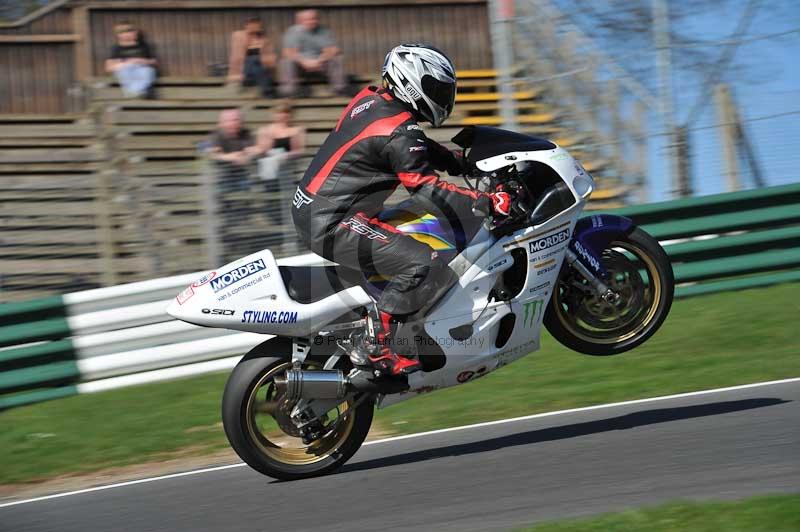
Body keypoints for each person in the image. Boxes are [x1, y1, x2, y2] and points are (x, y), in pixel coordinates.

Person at [291, 44, 512, 376]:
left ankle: (404, 329)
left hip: (316, 211)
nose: (444, 97)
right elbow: (423, 186)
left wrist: (458, 162)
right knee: (424, 261)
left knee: (416, 230)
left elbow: (412, 145)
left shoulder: (373, 102)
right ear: (412, 82)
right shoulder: (398, 129)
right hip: (334, 222)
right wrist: (484, 203)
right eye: (437, 89)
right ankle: (379, 344)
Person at [254, 102, 306, 226]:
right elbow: (261, 149)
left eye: (285, 112)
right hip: (270, 173)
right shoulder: (265, 130)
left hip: (287, 171)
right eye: (279, 112)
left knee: (288, 201)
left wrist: (286, 155)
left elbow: (300, 150)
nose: (282, 116)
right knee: (272, 201)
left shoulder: (296, 130)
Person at [279, 9, 347, 97]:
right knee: (286, 61)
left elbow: (333, 49)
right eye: (308, 19)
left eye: (314, 18)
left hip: (321, 65)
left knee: (337, 58)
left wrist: (320, 60)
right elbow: (287, 52)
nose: (312, 21)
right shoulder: (292, 32)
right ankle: (288, 93)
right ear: (299, 21)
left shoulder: (324, 31)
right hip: (300, 67)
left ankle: (339, 90)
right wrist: (304, 62)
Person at [206, 108, 258, 193]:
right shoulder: (216, 135)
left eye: (236, 120)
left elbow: (254, 149)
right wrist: (232, 157)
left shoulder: (247, 133)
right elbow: (214, 154)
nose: (233, 123)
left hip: (244, 174)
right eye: (229, 121)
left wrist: (247, 157)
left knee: (246, 196)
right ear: (221, 123)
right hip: (223, 176)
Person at [227, 17, 277, 98]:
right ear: (246, 26)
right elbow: (237, 56)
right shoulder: (238, 35)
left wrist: (264, 60)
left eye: (256, 25)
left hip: (259, 73)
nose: (254, 27)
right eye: (251, 25)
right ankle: (269, 93)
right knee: (253, 59)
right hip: (243, 74)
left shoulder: (265, 41)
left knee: (257, 64)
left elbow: (272, 60)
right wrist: (250, 36)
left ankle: (268, 93)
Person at [105, 22, 158, 98]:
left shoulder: (143, 46)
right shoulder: (116, 48)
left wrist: (141, 61)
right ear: (118, 35)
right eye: (123, 32)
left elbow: (154, 62)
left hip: (142, 68)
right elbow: (109, 68)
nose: (127, 34)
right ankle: (139, 92)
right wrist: (126, 63)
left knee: (148, 71)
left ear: (135, 33)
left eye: (130, 31)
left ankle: (134, 92)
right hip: (125, 69)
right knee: (125, 71)